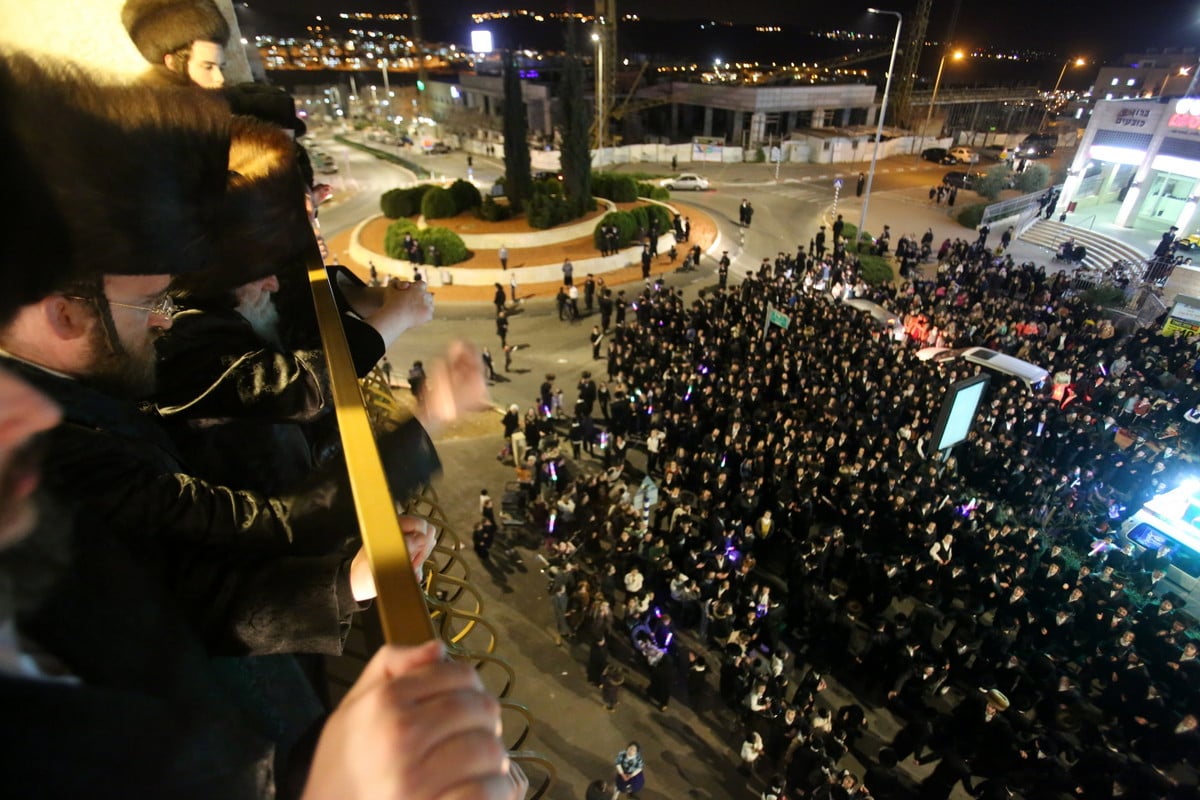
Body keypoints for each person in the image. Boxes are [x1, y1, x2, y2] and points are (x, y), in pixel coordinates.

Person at [121, 0, 229, 88]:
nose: (220, 78)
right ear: (172, 63)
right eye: (208, 67)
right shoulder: (150, 109)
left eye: (221, 68)